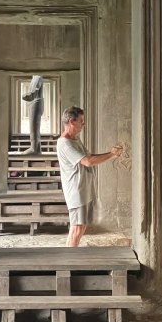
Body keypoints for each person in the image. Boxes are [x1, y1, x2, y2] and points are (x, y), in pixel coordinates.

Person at [57, 106, 122, 247]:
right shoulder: (65, 143)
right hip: (76, 192)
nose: (84, 124)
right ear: (71, 121)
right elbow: (87, 162)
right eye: (81, 120)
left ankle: (70, 260)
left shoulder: (75, 139)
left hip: (84, 190)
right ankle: (68, 264)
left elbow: (89, 156)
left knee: (82, 227)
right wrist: (111, 154)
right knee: (76, 228)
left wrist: (111, 154)